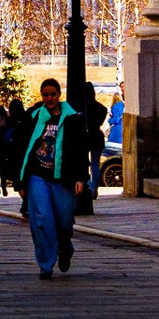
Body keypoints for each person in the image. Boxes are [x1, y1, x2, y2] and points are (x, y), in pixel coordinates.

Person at [18, 71, 94, 277]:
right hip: (38, 175)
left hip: (64, 177)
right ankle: (46, 264)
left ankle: (64, 247)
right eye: (45, 95)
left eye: (53, 94)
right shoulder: (34, 117)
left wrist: (81, 178)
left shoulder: (73, 119)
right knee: (42, 220)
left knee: (64, 221)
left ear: (59, 94)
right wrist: (21, 181)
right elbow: (22, 148)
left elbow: (81, 151)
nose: (49, 98)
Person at [66, 68, 104, 212]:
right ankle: (94, 189)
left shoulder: (79, 108)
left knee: (82, 162)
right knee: (95, 164)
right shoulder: (101, 108)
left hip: (83, 137)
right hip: (97, 136)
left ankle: (85, 185)